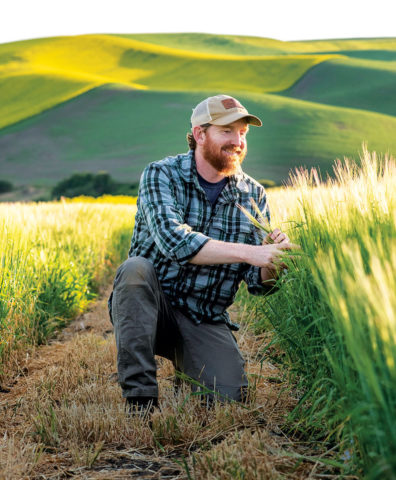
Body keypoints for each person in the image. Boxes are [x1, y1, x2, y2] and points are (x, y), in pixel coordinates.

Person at [108, 94, 295, 413]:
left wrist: (273, 260)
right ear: (199, 134)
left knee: (227, 400)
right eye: (227, 131)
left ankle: (190, 365)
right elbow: (174, 241)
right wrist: (252, 253)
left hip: (204, 316)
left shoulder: (254, 195)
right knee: (134, 269)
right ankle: (140, 397)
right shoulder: (161, 175)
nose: (237, 141)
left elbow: (258, 283)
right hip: (152, 308)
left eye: (243, 133)